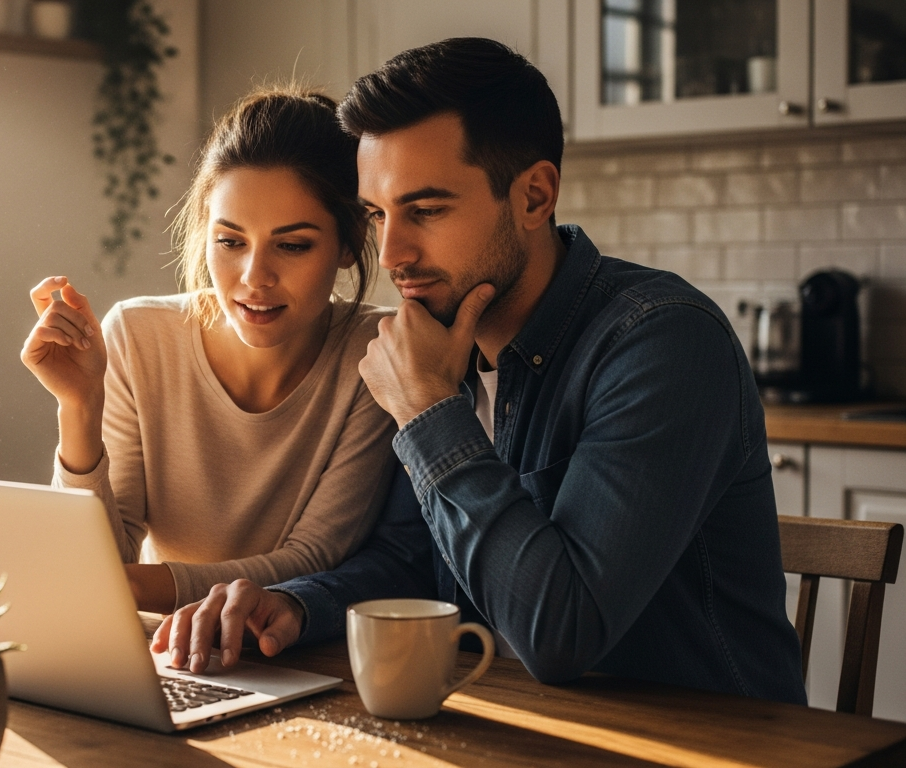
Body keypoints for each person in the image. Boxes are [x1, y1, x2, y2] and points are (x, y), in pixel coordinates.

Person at [154, 39, 807, 704]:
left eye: (427, 210)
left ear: (534, 196)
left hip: (712, 742)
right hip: (527, 730)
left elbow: (562, 633)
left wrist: (428, 412)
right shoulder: (444, 342)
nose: (394, 252)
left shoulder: (661, 342)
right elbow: (413, 562)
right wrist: (293, 605)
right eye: (377, 215)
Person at [20, 87, 398, 617]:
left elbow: (314, 557)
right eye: (230, 242)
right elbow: (101, 558)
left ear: (348, 243)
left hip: (297, 652)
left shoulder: (377, 351)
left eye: (292, 245)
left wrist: (137, 588)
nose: (254, 278)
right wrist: (79, 407)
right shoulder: (138, 335)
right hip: (159, 646)